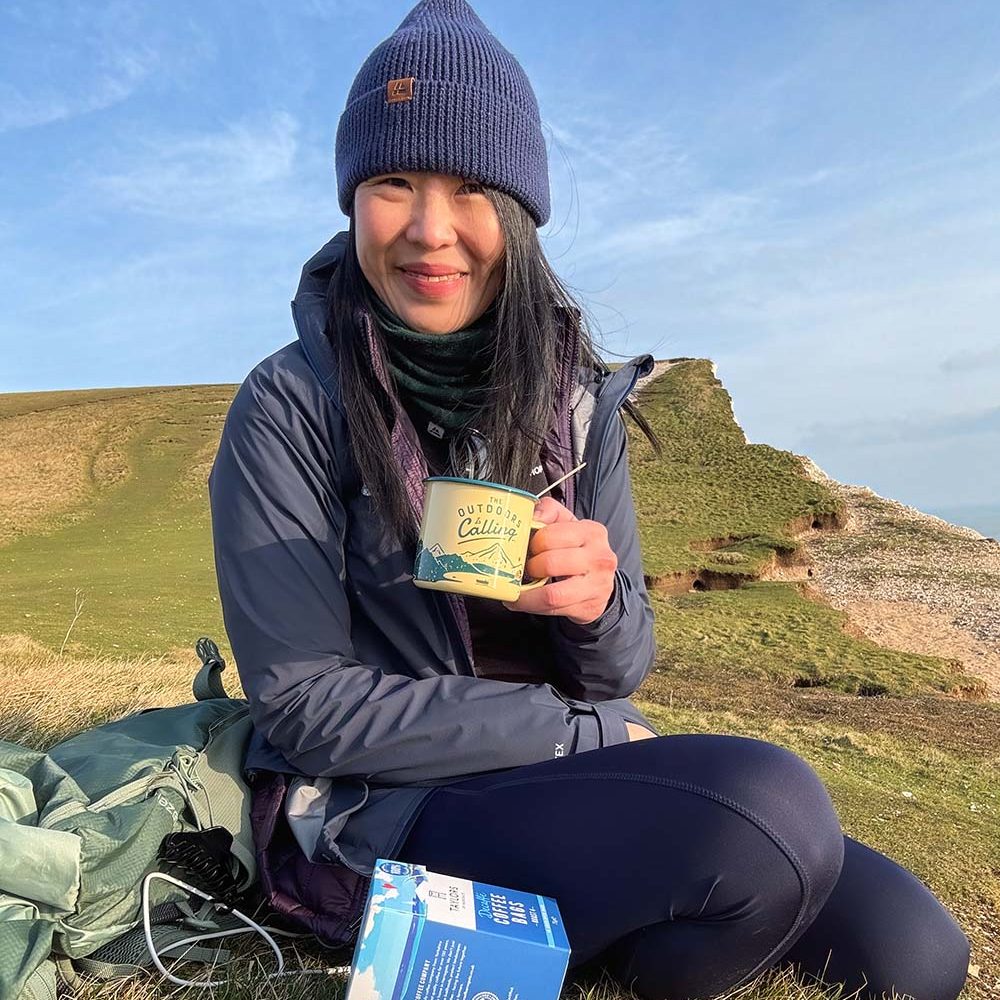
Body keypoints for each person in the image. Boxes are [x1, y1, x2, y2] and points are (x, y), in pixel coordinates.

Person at [207, 1, 971, 997]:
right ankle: (625, 918)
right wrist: (579, 733)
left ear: (520, 211)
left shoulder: (572, 393)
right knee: (767, 815)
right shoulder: (290, 402)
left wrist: (596, 604)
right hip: (387, 801)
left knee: (915, 952)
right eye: (393, 183)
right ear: (352, 200)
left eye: (471, 187)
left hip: (565, 773)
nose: (431, 229)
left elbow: (621, 664)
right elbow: (305, 705)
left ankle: (617, 921)